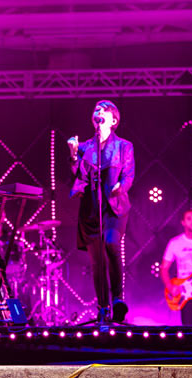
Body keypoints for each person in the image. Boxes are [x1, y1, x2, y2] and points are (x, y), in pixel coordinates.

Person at [67, 100, 135, 323]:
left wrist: (120, 187)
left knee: (111, 244)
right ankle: (103, 307)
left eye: (102, 112)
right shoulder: (86, 146)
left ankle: (117, 299)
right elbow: (78, 175)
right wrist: (74, 153)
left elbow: (128, 174)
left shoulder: (124, 146)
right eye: (95, 111)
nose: (97, 114)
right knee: (97, 261)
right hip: (91, 210)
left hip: (114, 208)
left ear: (113, 120)